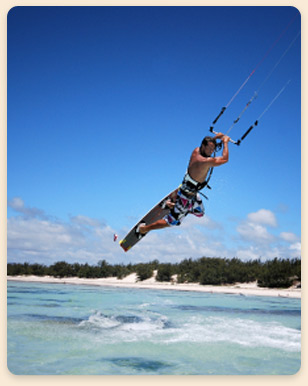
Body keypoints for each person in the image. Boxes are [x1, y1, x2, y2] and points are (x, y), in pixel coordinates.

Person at [137, 132, 230, 237]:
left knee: (200, 213)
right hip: (186, 195)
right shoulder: (204, 161)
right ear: (203, 146)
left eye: (213, 149)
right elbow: (225, 159)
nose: (212, 151)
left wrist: (216, 138)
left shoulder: (196, 150)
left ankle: (171, 205)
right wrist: (225, 143)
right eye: (210, 149)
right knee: (172, 222)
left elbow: (208, 144)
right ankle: (144, 228)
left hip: (192, 193)